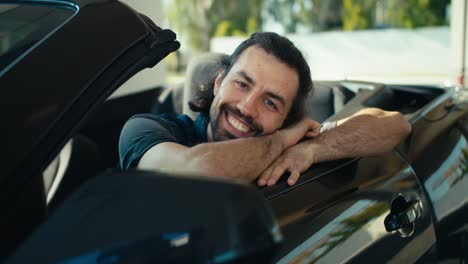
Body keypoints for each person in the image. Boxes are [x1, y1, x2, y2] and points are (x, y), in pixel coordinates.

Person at [119, 32, 411, 186]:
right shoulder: (144, 130)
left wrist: (313, 149)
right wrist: (284, 140)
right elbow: (201, 170)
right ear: (219, 81)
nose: (246, 108)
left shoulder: (295, 147)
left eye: (271, 102)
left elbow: (396, 125)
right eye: (242, 84)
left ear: (286, 118)